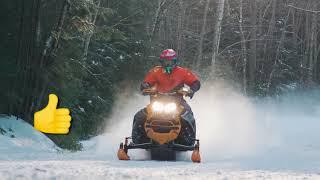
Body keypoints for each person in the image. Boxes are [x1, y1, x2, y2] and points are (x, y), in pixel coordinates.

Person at [132, 49, 201, 146]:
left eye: (170, 62)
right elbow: (147, 81)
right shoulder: (156, 71)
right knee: (140, 115)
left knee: (188, 115)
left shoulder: (182, 72)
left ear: (175, 62)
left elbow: (195, 82)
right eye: (165, 62)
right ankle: (138, 139)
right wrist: (145, 86)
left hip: (177, 101)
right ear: (161, 62)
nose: (168, 64)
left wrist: (191, 90)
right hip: (157, 100)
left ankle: (189, 140)